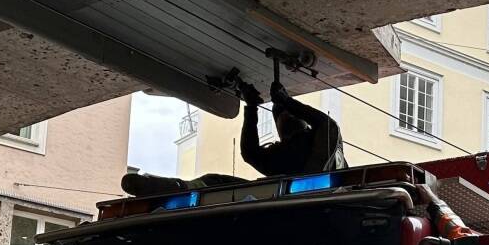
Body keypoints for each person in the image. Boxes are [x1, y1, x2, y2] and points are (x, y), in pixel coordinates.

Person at [121, 80, 346, 196]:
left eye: (288, 114)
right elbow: (250, 153)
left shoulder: (321, 142)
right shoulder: (278, 155)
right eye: (279, 116)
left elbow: (327, 124)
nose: (284, 117)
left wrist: (286, 102)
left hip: (318, 197)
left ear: (303, 120)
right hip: (277, 198)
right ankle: (177, 188)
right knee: (214, 182)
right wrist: (251, 108)